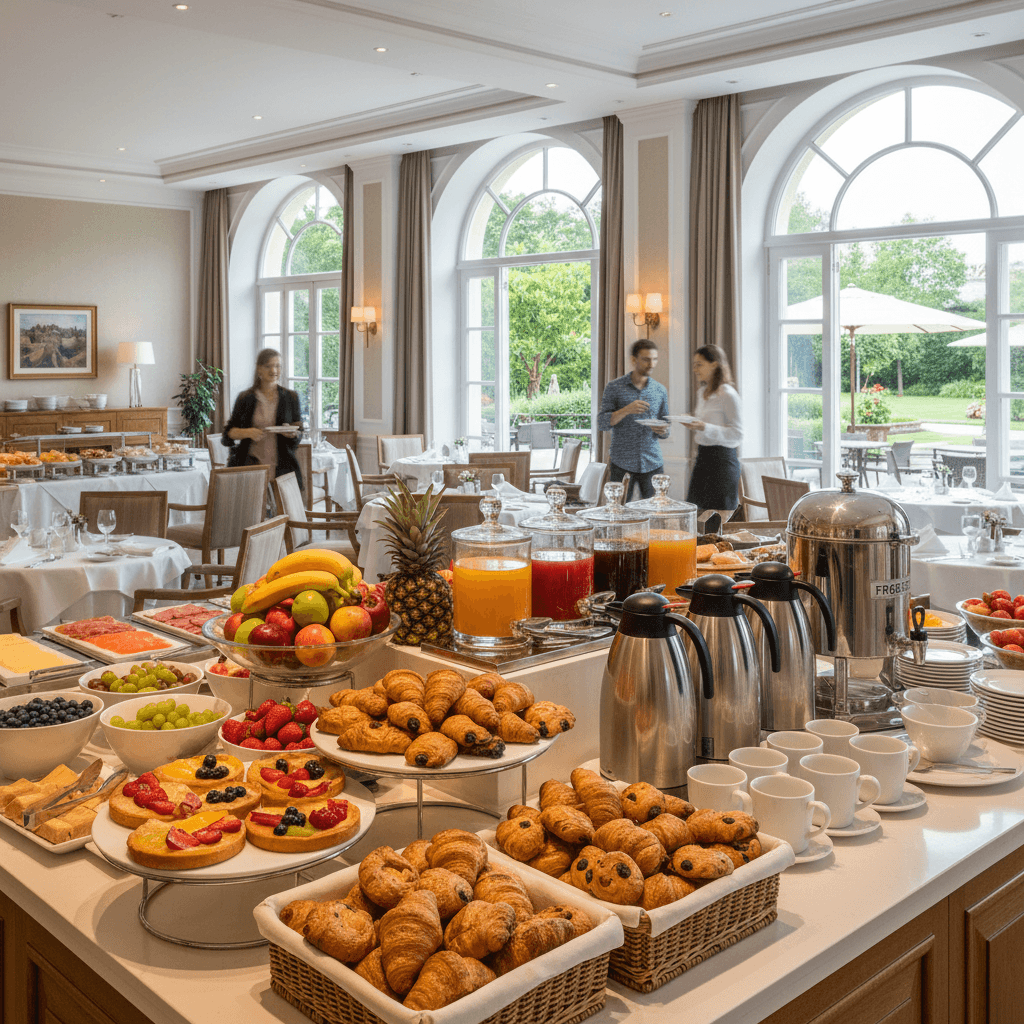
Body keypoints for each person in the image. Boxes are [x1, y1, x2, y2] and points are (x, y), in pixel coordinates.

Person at [598, 339, 670, 501]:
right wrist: (626, 410)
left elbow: (666, 427)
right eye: (646, 359)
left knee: (656, 513)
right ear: (633, 360)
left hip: (652, 462)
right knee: (618, 512)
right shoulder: (614, 388)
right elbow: (602, 422)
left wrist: (663, 430)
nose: (651, 364)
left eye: (654, 359)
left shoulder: (660, 390)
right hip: (622, 463)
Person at [222, 348, 304, 490]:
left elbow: (299, 432)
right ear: (259, 369)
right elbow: (228, 433)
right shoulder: (245, 398)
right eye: (268, 366)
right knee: (251, 510)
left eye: (278, 366)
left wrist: (292, 434)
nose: (274, 370)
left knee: (283, 511)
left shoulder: (291, 397)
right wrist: (248, 432)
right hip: (250, 465)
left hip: (283, 466)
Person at [682, 345, 742, 519]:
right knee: (696, 517)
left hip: (722, 462)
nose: (694, 369)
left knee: (719, 520)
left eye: (699, 364)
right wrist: (692, 421)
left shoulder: (728, 395)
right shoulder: (702, 393)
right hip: (703, 459)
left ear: (714, 364)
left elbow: (738, 434)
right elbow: (706, 424)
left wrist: (704, 427)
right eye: (694, 364)